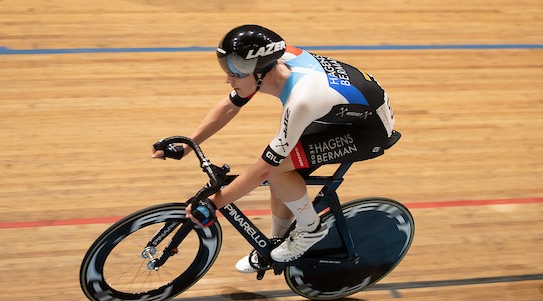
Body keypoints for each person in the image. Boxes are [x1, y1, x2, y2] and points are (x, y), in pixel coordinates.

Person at [152, 24, 396, 273]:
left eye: (234, 72)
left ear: (259, 71)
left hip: (367, 130)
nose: (228, 78)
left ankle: (310, 229)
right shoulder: (277, 60)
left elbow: (263, 169)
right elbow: (230, 105)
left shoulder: (302, 99)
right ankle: (276, 244)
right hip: (339, 111)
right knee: (282, 175)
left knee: (277, 168)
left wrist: (214, 204)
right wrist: (186, 146)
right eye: (227, 69)